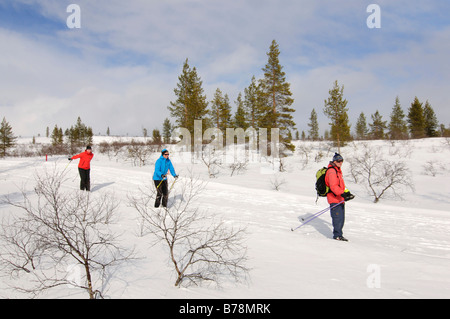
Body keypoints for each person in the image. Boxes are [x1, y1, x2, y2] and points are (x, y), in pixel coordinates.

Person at [325, 153, 354, 241]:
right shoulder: (332, 171)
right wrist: (342, 194)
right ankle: (337, 236)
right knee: (337, 219)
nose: (340, 163)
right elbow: (333, 187)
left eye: (341, 161)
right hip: (334, 199)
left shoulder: (337, 171)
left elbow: (341, 185)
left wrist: (347, 192)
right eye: (338, 161)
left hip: (340, 199)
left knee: (341, 219)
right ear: (334, 161)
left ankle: (339, 235)